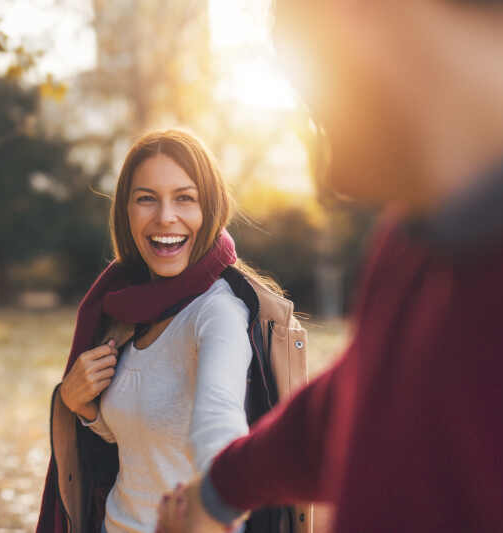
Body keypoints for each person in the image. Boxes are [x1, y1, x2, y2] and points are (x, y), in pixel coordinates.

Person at [156, 1, 503, 532]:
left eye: (316, 100)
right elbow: (358, 398)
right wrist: (219, 491)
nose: (325, 170)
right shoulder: (415, 242)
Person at [35, 129, 311, 533]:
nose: (165, 216)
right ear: (126, 212)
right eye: (146, 198)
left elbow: (220, 421)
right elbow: (139, 438)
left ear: (210, 208)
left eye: (185, 198)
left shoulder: (218, 312)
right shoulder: (125, 308)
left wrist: (218, 505)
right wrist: (84, 408)